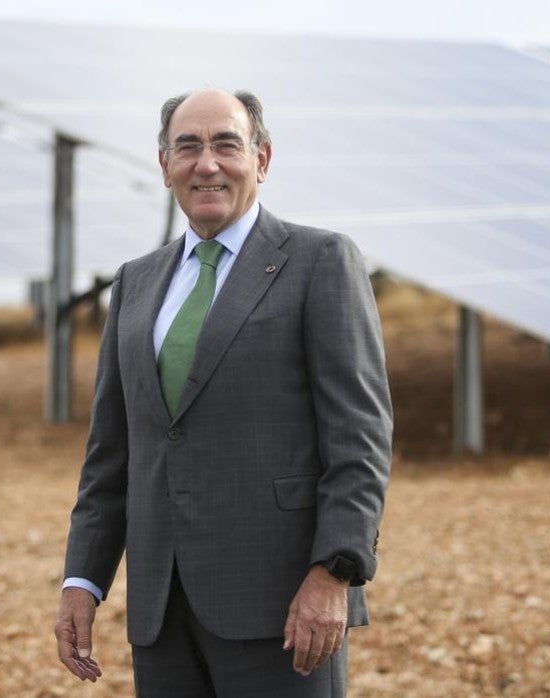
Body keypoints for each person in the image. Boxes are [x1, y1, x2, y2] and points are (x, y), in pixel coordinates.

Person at [53, 88, 392, 697]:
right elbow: (112, 453)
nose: (206, 164)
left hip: (285, 608)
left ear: (261, 160)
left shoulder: (320, 262)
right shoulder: (136, 282)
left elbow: (360, 441)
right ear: (165, 167)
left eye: (226, 145)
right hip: (161, 612)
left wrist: (334, 573)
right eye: (187, 147)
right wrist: (84, 578)